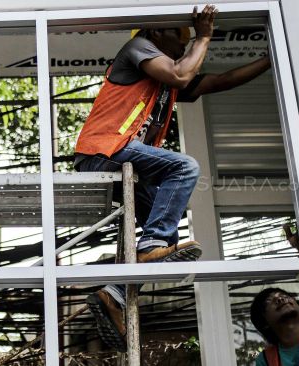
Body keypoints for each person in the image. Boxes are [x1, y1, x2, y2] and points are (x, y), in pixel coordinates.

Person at [76, 4, 272, 350]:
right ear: (155, 33)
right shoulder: (137, 48)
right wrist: (205, 36)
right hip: (104, 151)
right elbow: (181, 73)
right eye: (179, 36)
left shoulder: (165, 82)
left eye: (187, 39)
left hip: (124, 161)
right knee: (184, 168)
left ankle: (116, 292)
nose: (185, 44)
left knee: (166, 220)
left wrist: (271, 59)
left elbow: (219, 81)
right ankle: (149, 249)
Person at [250, 288, 299, 365]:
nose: (280, 298)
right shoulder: (265, 360)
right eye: (268, 302)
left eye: (285, 296)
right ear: (264, 323)